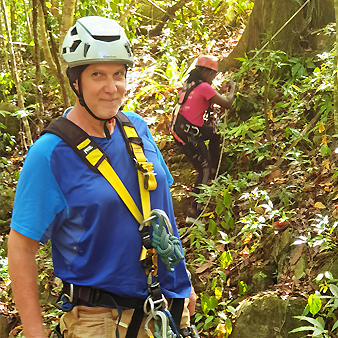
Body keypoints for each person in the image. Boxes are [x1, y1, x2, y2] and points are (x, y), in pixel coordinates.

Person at [8, 16, 195, 338]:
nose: (112, 88)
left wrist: (183, 281)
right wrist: (34, 331)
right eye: (97, 75)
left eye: (118, 75)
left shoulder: (137, 128)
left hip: (165, 310)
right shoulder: (50, 153)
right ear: (76, 82)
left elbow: (159, 214)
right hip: (98, 321)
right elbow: (21, 247)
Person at [170, 55, 236, 223]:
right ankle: (194, 213)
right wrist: (232, 89)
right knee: (202, 170)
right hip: (190, 134)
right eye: (213, 75)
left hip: (181, 131)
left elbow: (204, 98)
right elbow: (227, 104)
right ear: (206, 72)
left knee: (214, 133)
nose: (213, 78)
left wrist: (219, 91)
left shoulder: (189, 85)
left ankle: (215, 170)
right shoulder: (204, 87)